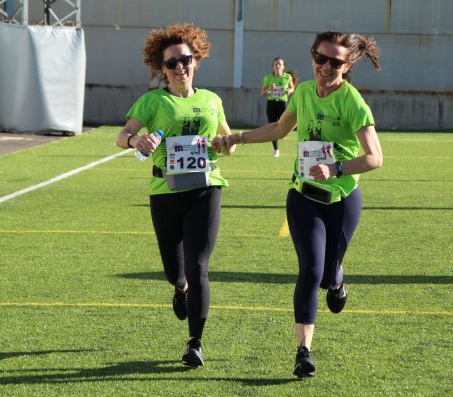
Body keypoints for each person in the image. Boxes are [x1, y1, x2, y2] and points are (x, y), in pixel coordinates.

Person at [213, 31, 383, 378]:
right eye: (319, 58)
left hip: (342, 198)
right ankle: (303, 351)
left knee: (327, 273)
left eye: (334, 61)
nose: (324, 66)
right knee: (309, 270)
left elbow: (375, 158)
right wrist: (238, 137)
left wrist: (335, 167)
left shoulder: (352, 102)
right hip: (303, 195)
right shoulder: (303, 92)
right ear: (312, 58)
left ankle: (337, 281)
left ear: (347, 65)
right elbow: (279, 128)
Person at [116, 23, 235, 368]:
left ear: (196, 61)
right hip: (165, 191)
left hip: (205, 187)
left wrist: (226, 145)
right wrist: (135, 141)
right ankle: (179, 288)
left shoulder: (211, 100)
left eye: (185, 59)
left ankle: (195, 342)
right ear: (162, 69)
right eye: (171, 63)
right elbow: (122, 134)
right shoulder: (153, 101)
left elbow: (227, 143)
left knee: (199, 265)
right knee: (175, 270)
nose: (180, 67)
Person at [261, 57, 294, 157]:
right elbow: (262, 92)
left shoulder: (287, 77)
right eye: (275, 64)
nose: (277, 66)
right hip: (271, 103)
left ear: (283, 66)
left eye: (279, 64)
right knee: (272, 126)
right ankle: (276, 149)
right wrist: (269, 90)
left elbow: (292, 88)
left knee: (283, 124)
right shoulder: (268, 78)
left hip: (282, 103)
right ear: (273, 67)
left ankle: (282, 133)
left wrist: (289, 91)